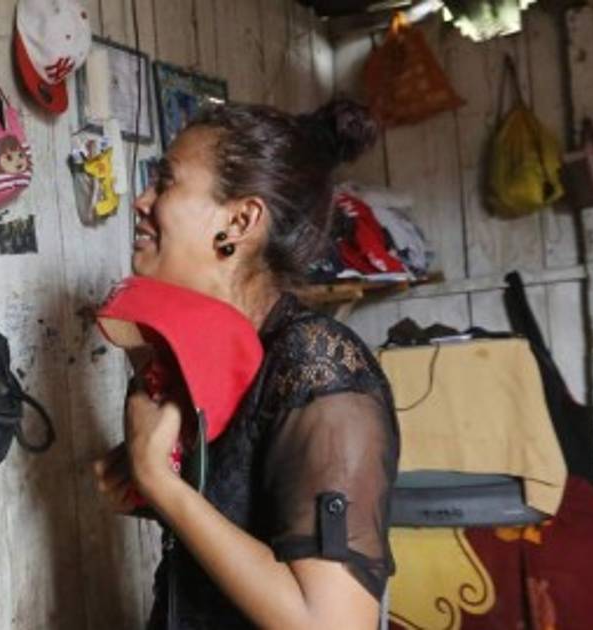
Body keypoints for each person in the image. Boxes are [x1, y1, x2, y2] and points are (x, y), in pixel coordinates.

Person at [93, 98, 400, 629]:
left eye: (165, 182)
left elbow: (330, 624)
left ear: (241, 220)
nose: (140, 202)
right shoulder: (191, 352)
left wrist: (159, 480)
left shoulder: (318, 366)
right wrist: (150, 486)